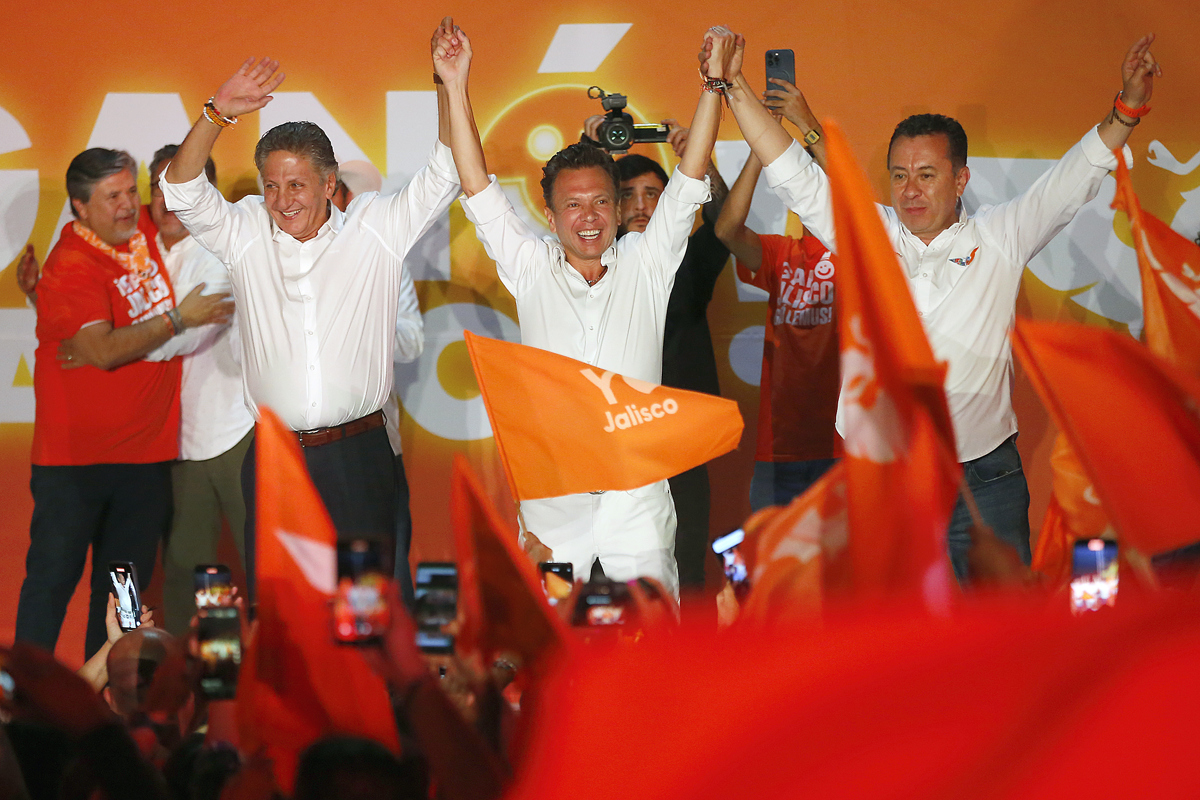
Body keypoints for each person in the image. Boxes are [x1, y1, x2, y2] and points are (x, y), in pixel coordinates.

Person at [716, 35, 1162, 583]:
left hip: (985, 478)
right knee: (892, 640)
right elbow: (790, 170)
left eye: (927, 174)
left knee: (1001, 636)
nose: (910, 190)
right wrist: (732, 85)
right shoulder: (866, 234)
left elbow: (1073, 178)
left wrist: (1128, 108)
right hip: (883, 478)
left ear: (961, 179)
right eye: (899, 176)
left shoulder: (1001, 234)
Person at [438, 21, 735, 596]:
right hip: (556, 496)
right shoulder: (528, 266)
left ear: (620, 208)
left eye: (602, 201)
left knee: (654, 648)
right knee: (551, 644)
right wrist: (455, 85)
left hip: (639, 493)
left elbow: (691, 175)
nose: (590, 216)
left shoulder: (648, 263)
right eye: (573, 205)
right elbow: (475, 185)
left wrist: (712, 86)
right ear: (550, 217)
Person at [161, 44, 461, 599]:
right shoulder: (245, 232)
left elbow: (446, 172)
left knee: (366, 617)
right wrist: (217, 111)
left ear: (329, 185)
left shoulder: (374, 228)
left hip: (358, 458)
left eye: (296, 185)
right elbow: (179, 190)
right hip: (275, 460)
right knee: (282, 621)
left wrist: (451, 84)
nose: (281, 200)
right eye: (270, 185)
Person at [15, 148, 231, 657]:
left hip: (145, 463)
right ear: (79, 207)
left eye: (131, 191)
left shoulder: (145, 239)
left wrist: (40, 301)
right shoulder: (71, 265)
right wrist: (179, 319)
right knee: (51, 583)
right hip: (76, 466)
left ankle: (116, 700)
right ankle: (24, 705)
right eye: (112, 197)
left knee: (123, 595)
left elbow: (107, 340)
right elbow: (105, 351)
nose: (129, 205)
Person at [579, 119, 731, 591]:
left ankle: (692, 665)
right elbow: (572, 197)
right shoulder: (589, 268)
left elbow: (725, 218)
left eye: (654, 194)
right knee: (607, 574)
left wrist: (701, 162)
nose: (642, 205)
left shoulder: (688, 259)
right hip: (612, 441)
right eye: (628, 195)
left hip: (681, 440)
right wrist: (590, 145)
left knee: (685, 564)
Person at [143, 146, 255, 636]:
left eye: (177, 190)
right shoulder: (142, 258)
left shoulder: (221, 252)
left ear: (200, 195)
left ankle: (277, 689)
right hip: (179, 440)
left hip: (237, 432)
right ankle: (194, 688)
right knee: (188, 571)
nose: (166, 202)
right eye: (157, 190)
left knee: (263, 564)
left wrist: (116, 345)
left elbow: (182, 339)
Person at [715, 79, 841, 512]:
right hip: (779, 449)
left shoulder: (863, 253)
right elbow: (726, 230)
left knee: (845, 577)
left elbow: (855, 202)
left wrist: (809, 129)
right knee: (774, 574)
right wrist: (760, 147)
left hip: (842, 446)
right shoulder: (780, 253)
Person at [330, 159, 424, 604]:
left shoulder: (386, 259)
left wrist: (358, 318)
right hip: (304, 445)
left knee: (386, 568)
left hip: (376, 439)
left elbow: (411, 342)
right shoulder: (282, 262)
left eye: (333, 191)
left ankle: (399, 670)